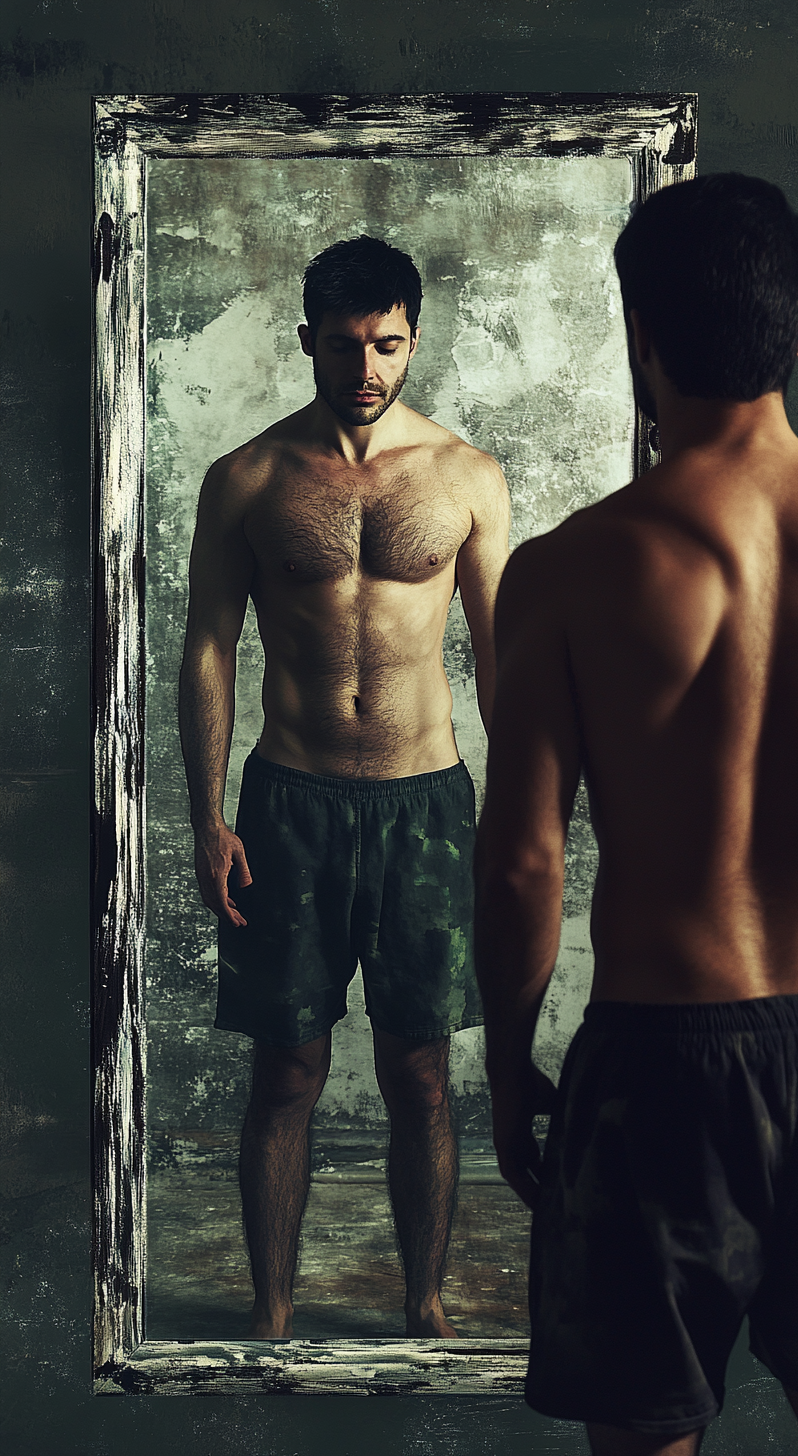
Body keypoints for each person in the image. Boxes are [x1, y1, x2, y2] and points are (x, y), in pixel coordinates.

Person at [474, 174, 798, 1456]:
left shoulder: (568, 568)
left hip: (666, 1062)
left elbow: (520, 865)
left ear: (641, 335)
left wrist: (510, 1076)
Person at [178, 234, 510, 1339]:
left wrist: (515, 811)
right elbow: (210, 648)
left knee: (421, 1070)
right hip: (293, 803)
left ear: (413, 337)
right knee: (287, 1068)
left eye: (389, 344)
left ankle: (424, 1302)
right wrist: (207, 814)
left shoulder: (466, 476)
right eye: (348, 345)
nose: (369, 368)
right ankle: (271, 1314)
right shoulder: (248, 479)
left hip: (426, 805)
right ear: (308, 338)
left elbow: (499, 651)